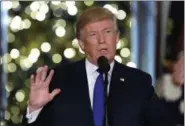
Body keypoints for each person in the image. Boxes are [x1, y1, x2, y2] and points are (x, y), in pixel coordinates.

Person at [22, 7, 182, 126]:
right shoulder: (59, 80)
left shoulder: (139, 82)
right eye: (93, 35)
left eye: (107, 32)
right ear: (82, 44)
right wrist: (34, 110)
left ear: (117, 37)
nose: (102, 40)